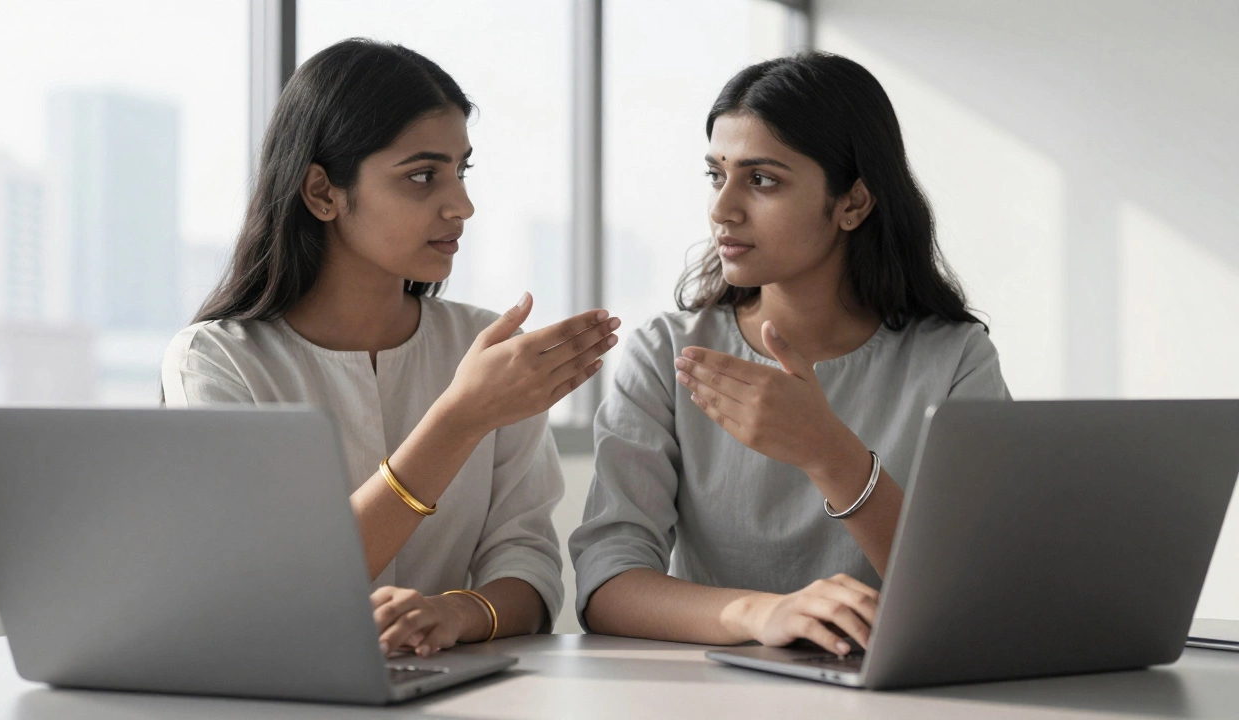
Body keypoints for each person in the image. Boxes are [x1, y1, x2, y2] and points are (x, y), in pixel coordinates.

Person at [163, 39, 620, 658]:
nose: (461, 205)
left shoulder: (485, 349)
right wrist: (461, 418)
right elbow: (274, 586)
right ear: (322, 192)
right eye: (423, 176)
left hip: (456, 691)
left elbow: (530, 569)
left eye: (462, 171)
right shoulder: (217, 362)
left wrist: (453, 615)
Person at [569, 51, 1009, 656]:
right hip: (712, 696)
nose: (723, 208)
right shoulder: (667, 353)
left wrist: (829, 453)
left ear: (853, 203)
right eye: (716, 174)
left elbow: (977, 591)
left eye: (762, 179)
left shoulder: (956, 359)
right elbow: (605, 584)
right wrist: (760, 613)